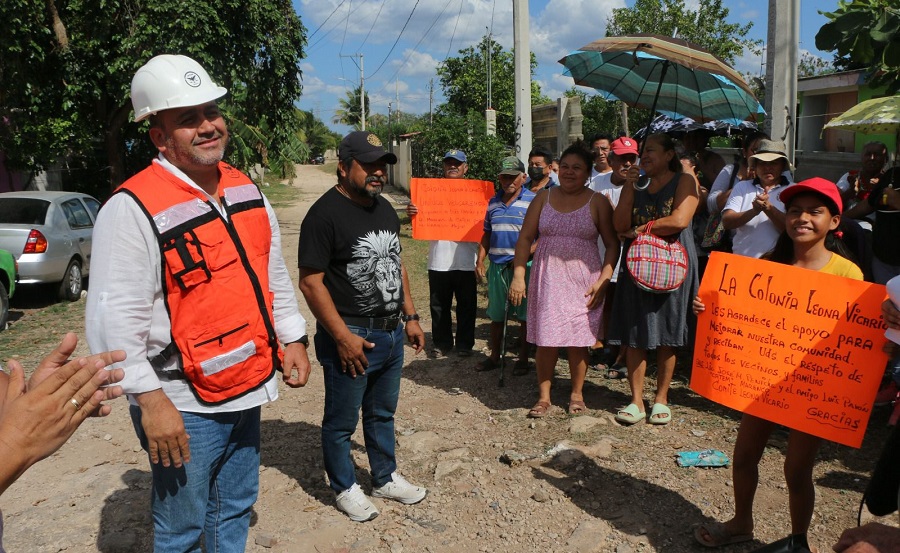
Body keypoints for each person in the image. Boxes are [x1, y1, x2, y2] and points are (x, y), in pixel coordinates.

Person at [85, 54, 311, 552]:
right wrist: (149, 401)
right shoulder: (132, 207)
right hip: (183, 402)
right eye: (188, 119)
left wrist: (292, 334)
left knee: (233, 506)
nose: (208, 126)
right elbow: (112, 321)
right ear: (159, 136)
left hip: (246, 383)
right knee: (182, 527)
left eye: (210, 111)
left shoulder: (243, 186)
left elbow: (269, 268)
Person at [693, 178, 863, 553]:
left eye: (814, 211)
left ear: (834, 222)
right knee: (743, 455)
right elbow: (743, 314)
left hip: (813, 386)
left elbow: (858, 339)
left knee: (797, 468)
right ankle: (741, 522)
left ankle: (798, 541)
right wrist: (708, 310)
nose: (802, 218)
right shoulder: (770, 264)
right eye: (796, 210)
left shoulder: (849, 275)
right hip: (763, 379)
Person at [297, 130, 427, 523]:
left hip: (389, 332)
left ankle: (385, 478)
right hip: (352, 335)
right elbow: (310, 281)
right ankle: (344, 487)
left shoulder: (384, 208)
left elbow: (396, 264)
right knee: (341, 421)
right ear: (343, 166)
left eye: (382, 166)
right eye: (368, 165)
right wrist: (342, 337)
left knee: (382, 412)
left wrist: (411, 315)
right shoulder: (323, 214)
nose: (377, 173)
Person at [508, 141, 618, 417]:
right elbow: (525, 238)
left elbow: (612, 244)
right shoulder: (543, 198)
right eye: (565, 167)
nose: (569, 172)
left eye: (577, 168)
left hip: (584, 279)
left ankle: (576, 393)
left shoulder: (598, 202)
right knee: (546, 338)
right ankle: (543, 396)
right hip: (548, 278)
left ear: (588, 172)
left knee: (579, 340)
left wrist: (604, 279)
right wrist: (519, 274)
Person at [607, 133, 699, 426]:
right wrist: (630, 187)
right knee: (635, 333)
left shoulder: (684, 181)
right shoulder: (636, 183)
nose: (643, 156)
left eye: (651, 151)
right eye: (642, 151)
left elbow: (679, 221)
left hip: (674, 265)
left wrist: (640, 229)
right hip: (638, 265)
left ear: (670, 154)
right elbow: (619, 224)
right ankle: (635, 399)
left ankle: (661, 398)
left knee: (668, 333)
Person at [406, 150, 477, 357]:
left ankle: (464, 344)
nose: (453, 167)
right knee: (439, 306)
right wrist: (413, 212)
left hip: (466, 261)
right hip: (438, 261)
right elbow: (418, 216)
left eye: (457, 164)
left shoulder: (476, 193)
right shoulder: (429, 192)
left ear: (465, 168)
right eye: (449, 163)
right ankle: (442, 343)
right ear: (444, 167)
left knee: (467, 306)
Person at [476, 156, 536, 374]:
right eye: (504, 176)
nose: (508, 180)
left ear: (523, 177)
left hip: (523, 268)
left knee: (524, 316)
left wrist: (523, 255)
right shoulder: (493, 202)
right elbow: (487, 233)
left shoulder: (533, 200)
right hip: (498, 266)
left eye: (513, 176)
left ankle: (522, 359)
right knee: (496, 315)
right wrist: (480, 259)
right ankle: (494, 356)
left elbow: (541, 236)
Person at [588, 136, 639, 379]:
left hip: (632, 259)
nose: (627, 163)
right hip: (601, 256)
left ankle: (622, 357)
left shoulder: (643, 185)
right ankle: (606, 348)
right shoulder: (595, 183)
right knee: (606, 304)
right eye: (622, 158)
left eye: (632, 158)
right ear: (612, 159)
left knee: (628, 308)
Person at [722, 139, 794, 258]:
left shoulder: (793, 190)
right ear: (755, 166)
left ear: (782, 166)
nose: (768, 168)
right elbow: (727, 221)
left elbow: (792, 230)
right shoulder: (742, 187)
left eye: (774, 163)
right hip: (742, 261)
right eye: (763, 163)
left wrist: (769, 209)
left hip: (778, 263)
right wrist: (754, 211)